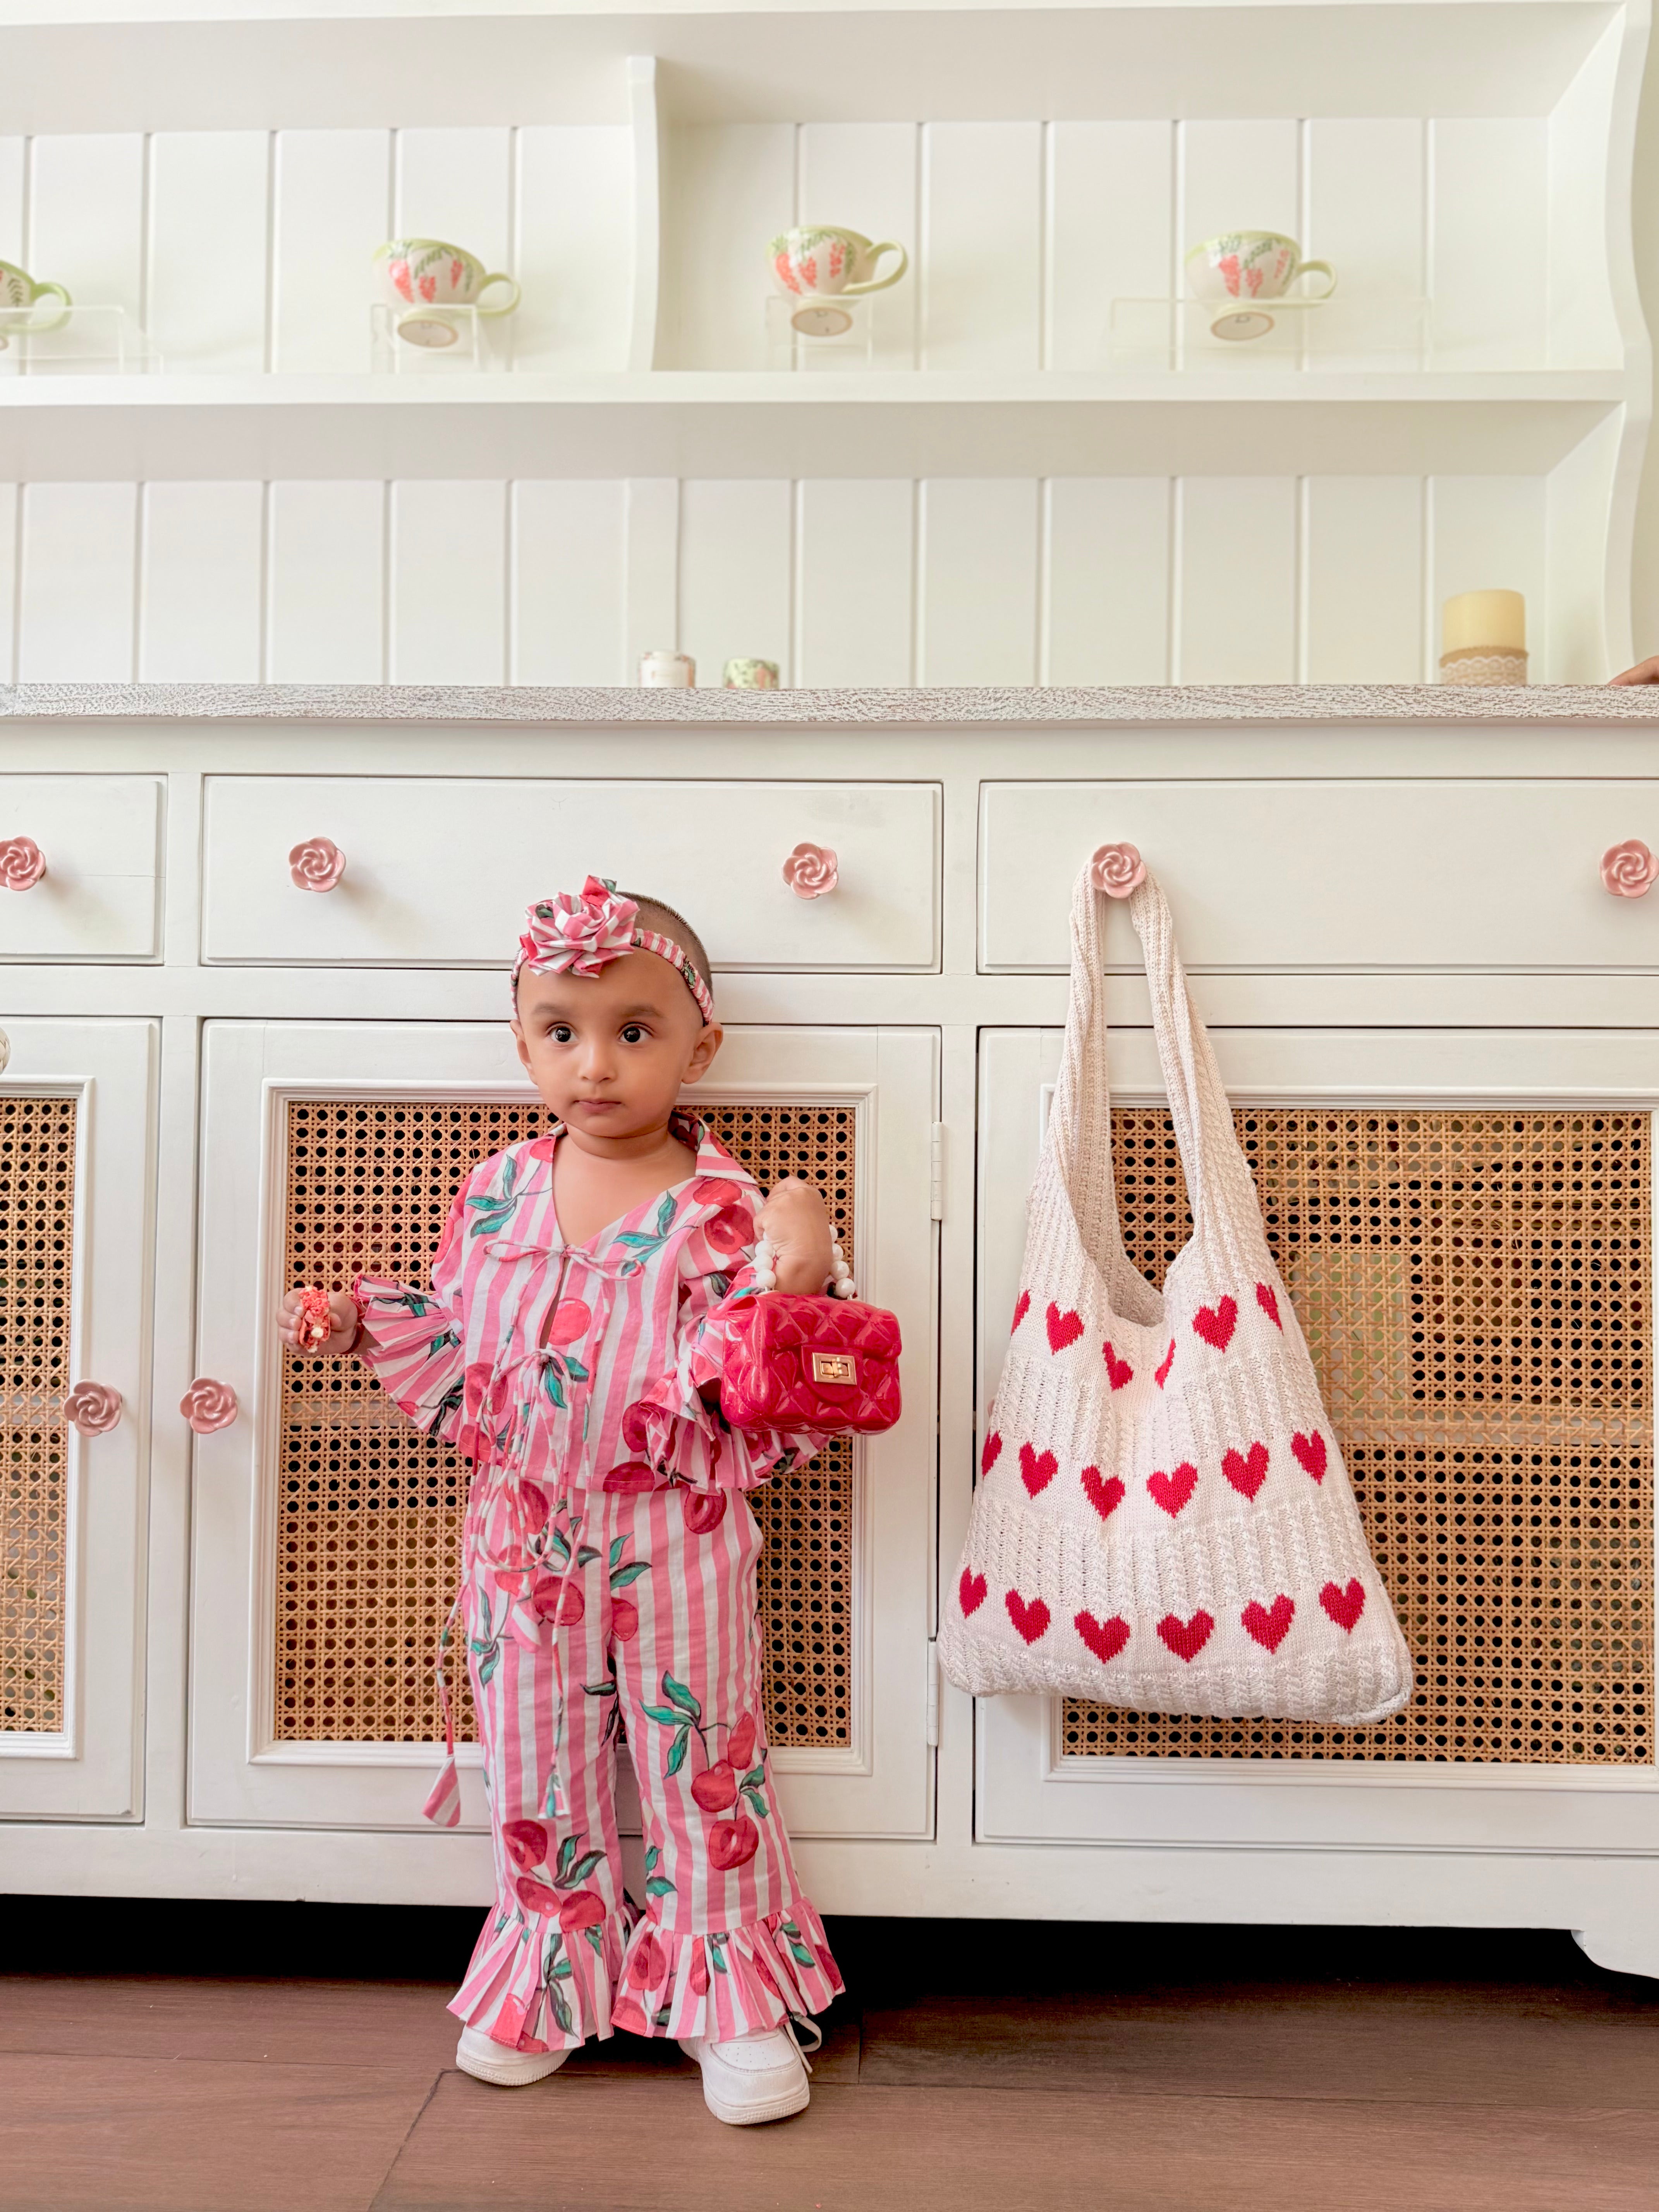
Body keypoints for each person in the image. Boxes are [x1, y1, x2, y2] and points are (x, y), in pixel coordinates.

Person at [277, 878, 843, 2126]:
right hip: (519, 1532)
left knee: (701, 1760)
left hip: (676, 1527)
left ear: (701, 1045)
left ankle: (729, 1995)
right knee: (535, 1764)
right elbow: (462, 1343)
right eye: (561, 1032)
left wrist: (796, 1258)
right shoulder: (494, 1193)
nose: (596, 1065)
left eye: (633, 1032)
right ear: (524, 1040)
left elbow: (776, 1374)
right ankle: (548, 1973)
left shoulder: (725, 1210)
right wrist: (354, 1317)